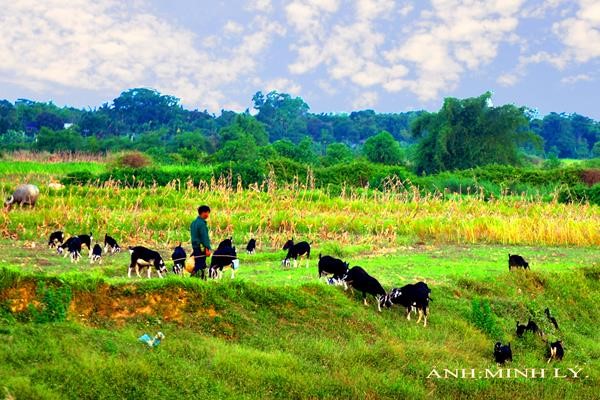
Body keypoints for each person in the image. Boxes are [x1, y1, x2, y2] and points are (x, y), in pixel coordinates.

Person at [190, 205, 212, 279]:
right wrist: (207, 248)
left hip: (195, 246)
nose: (208, 215)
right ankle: (196, 278)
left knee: (198, 262)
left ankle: (199, 279)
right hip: (201, 247)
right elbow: (204, 237)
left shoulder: (193, 223)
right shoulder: (202, 224)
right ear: (203, 213)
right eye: (207, 213)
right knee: (201, 264)